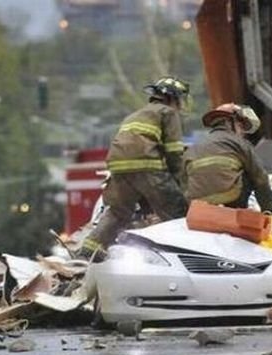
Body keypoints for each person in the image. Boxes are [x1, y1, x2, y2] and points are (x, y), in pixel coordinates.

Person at [75, 76, 190, 262]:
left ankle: (87, 252)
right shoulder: (167, 112)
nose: (181, 103)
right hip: (147, 166)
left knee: (117, 212)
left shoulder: (134, 115)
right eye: (180, 99)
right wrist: (180, 183)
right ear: (172, 98)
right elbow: (174, 152)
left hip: (118, 169)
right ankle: (183, 256)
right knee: (177, 212)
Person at [182, 103, 272, 214]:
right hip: (230, 199)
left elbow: (184, 181)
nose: (242, 132)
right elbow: (260, 178)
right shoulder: (240, 143)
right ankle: (239, 213)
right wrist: (271, 211)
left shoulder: (195, 146)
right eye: (241, 126)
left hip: (197, 204)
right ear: (230, 123)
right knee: (252, 173)